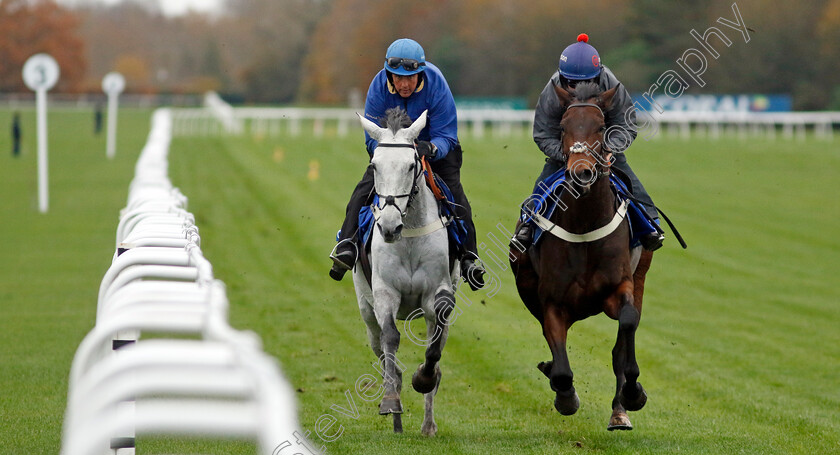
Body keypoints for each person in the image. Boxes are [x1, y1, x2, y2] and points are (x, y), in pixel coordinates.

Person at [329, 38, 486, 290]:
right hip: (393, 153)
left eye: (410, 78)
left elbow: (447, 135)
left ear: (420, 73)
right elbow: (372, 138)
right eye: (398, 77)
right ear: (389, 75)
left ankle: (470, 258)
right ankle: (346, 245)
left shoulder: (436, 84)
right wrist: (391, 152)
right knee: (362, 190)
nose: (404, 84)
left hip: (436, 153)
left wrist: (431, 149)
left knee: (455, 195)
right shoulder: (378, 86)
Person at [514, 33, 665, 251]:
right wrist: (568, 155)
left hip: (602, 148)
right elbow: (543, 133)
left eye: (584, 82)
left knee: (631, 182)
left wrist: (609, 149)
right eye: (571, 83)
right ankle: (527, 225)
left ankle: (650, 224)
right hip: (566, 151)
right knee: (543, 185)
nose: (576, 88)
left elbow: (627, 124)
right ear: (562, 77)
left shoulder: (611, 83)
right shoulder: (553, 88)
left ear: (598, 75)